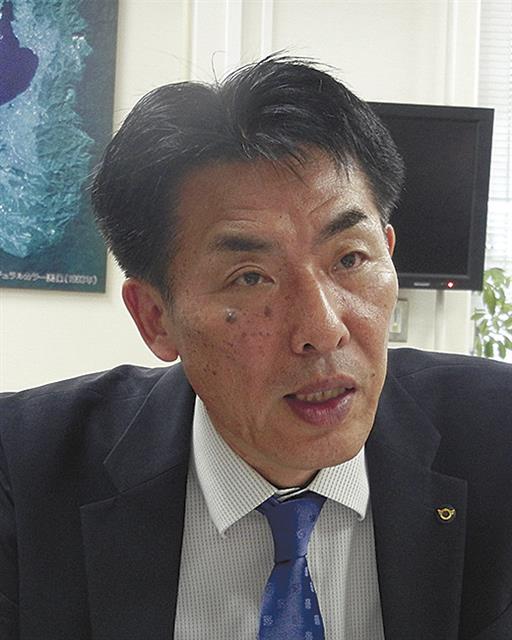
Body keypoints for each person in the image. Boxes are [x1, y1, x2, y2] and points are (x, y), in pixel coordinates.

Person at [1, 56, 511, 640]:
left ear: (388, 254)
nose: (323, 329)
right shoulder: (25, 470)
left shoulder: (499, 437)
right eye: (250, 277)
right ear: (155, 318)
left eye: (350, 258)